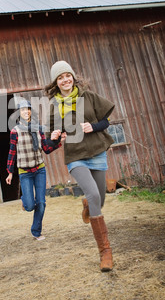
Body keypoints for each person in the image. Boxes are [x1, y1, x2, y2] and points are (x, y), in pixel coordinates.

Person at [44, 61, 115, 271]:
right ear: (55, 83)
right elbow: (49, 142)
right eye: (60, 77)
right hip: (76, 156)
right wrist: (55, 137)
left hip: (97, 151)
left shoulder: (89, 97)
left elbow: (106, 121)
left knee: (99, 200)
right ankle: (105, 253)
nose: (65, 80)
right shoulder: (54, 106)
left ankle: (88, 206)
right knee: (93, 194)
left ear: (73, 77)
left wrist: (92, 126)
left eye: (68, 75)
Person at [6, 100, 61, 241]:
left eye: (28, 109)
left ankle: (36, 231)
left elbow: (46, 148)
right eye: (23, 110)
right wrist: (10, 172)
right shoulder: (15, 131)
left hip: (39, 170)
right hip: (25, 172)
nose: (26, 112)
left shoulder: (38, 128)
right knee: (30, 206)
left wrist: (57, 141)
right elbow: (12, 152)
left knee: (41, 203)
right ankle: (25, 200)